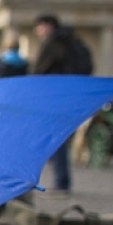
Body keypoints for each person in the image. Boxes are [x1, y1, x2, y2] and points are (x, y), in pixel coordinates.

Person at [33, 15, 75, 194]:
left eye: (39, 27)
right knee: (58, 139)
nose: (37, 31)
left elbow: (40, 71)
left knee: (55, 140)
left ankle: (61, 183)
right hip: (69, 95)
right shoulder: (71, 41)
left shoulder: (53, 43)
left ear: (48, 25)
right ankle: (61, 180)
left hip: (53, 97)